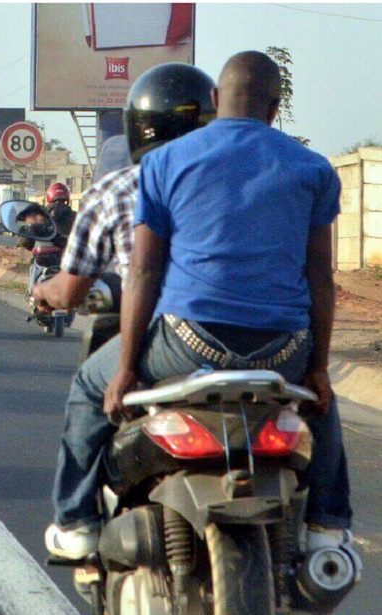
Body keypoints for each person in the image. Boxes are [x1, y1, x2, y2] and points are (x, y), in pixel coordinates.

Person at [44, 51, 353, 561]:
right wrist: (317, 367)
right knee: (320, 402)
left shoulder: (164, 163)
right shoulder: (313, 168)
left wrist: (124, 369)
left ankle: (76, 523)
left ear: (215, 101)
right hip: (282, 350)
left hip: (185, 345)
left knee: (86, 388)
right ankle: (326, 526)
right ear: (276, 108)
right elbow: (321, 276)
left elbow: (143, 271)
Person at [33, 62, 215, 314]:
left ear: (138, 125)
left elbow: (70, 291)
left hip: (174, 335)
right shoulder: (237, 187)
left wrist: (41, 291)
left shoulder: (117, 190)